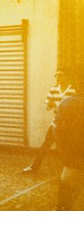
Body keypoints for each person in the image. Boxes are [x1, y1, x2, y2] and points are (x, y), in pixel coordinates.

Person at [22, 68, 76, 173]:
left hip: (69, 125)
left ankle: (72, 171)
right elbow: (47, 107)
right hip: (56, 123)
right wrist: (50, 104)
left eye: (60, 75)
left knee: (70, 148)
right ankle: (34, 167)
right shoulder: (53, 90)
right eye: (56, 76)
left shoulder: (73, 91)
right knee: (46, 145)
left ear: (66, 77)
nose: (58, 78)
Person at [54, 66, 84, 210]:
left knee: (64, 206)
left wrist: (66, 157)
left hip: (73, 162)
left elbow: (58, 133)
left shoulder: (66, 103)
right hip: (74, 161)